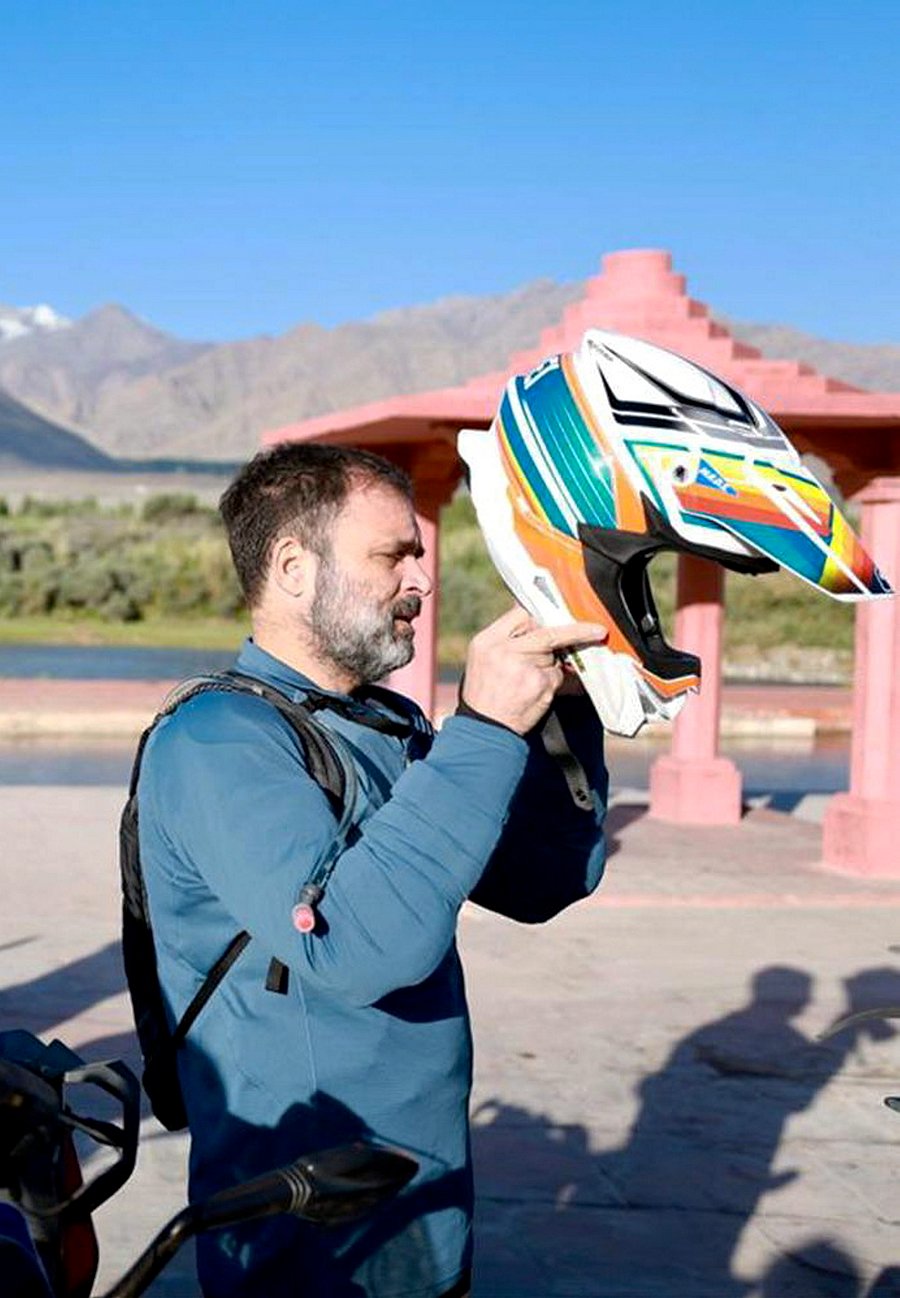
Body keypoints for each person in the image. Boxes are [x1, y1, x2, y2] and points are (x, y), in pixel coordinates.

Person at [137, 442, 609, 1298]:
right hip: (306, 1226)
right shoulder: (215, 742)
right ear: (293, 568)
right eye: (393, 555)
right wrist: (484, 730)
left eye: (418, 556)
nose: (420, 581)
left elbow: (539, 883)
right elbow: (356, 948)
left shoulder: (386, 726)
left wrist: (558, 716)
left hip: (425, 1200)